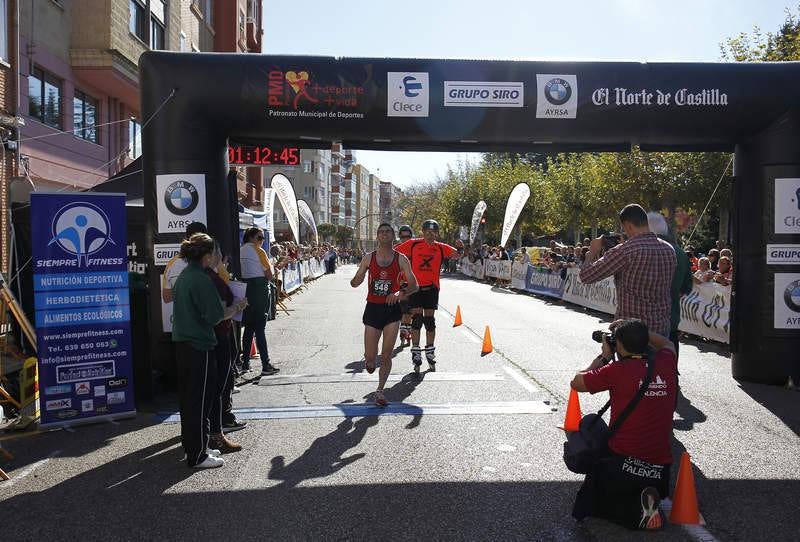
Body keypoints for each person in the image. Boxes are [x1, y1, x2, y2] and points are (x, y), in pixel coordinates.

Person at [570, 319, 677, 530]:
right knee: (644, 477)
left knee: (589, 423)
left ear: (618, 345)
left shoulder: (616, 371)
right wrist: (638, 328)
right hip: (660, 464)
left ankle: (612, 503)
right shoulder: (666, 361)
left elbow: (576, 382)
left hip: (623, 460)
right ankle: (648, 496)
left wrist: (604, 356)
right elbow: (667, 343)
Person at [172, 233, 247, 469]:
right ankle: (198, 454)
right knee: (201, 401)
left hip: (184, 344)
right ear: (207, 255)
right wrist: (237, 306)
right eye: (214, 252)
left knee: (190, 400)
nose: (217, 256)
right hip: (199, 345)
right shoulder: (201, 279)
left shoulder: (186, 275)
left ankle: (196, 448)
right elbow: (216, 316)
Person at [580, 204, 676, 338]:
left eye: (624, 228)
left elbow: (586, 276)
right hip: (660, 328)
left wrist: (592, 252)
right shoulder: (669, 250)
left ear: (629, 225)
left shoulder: (625, 251)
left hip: (632, 332)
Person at [350, 224, 418, 405]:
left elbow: (414, 285)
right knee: (372, 357)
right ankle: (369, 361)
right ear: (377, 236)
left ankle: (380, 391)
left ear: (393, 236)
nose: (384, 234)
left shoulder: (401, 259)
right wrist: (359, 278)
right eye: (381, 231)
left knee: (386, 355)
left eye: (388, 231)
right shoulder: (368, 258)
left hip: (392, 310)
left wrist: (399, 293)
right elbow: (354, 283)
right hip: (373, 309)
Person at [395, 219, 463, 372]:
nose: (430, 235)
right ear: (423, 232)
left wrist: (461, 248)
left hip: (432, 288)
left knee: (429, 321)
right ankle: (416, 350)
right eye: (427, 233)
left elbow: (457, 255)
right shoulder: (413, 244)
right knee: (417, 320)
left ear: (436, 234)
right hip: (416, 288)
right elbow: (395, 252)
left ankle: (430, 350)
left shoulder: (440, 248)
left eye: (433, 233)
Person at [205, 243, 245, 450]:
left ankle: (208, 433)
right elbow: (219, 315)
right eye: (221, 256)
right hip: (218, 336)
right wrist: (239, 305)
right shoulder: (212, 280)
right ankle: (215, 434)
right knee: (218, 387)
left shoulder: (197, 276)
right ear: (214, 257)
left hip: (206, 337)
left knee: (211, 388)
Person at [647, 212, 692, 361]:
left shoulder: (644, 250)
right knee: (669, 360)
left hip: (646, 318)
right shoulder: (680, 253)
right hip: (671, 316)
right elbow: (687, 286)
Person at [239, 227, 279, 376]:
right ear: (251, 237)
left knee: (249, 328)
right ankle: (265, 364)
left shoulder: (241, 250)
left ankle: (245, 363)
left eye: (262, 238)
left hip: (246, 290)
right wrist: (274, 270)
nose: (261, 241)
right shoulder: (259, 251)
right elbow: (269, 274)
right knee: (259, 328)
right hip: (259, 291)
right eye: (259, 238)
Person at [162, 221, 208, 304]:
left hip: (181, 315)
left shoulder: (173, 263)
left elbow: (166, 297)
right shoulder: (212, 260)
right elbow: (225, 290)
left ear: (186, 238)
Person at [395, 225, 415, 346]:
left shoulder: (416, 249)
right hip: (401, 283)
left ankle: (406, 330)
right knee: (405, 311)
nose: (405, 239)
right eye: (402, 237)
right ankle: (404, 332)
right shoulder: (395, 249)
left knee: (412, 312)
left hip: (416, 283)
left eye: (407, 236)